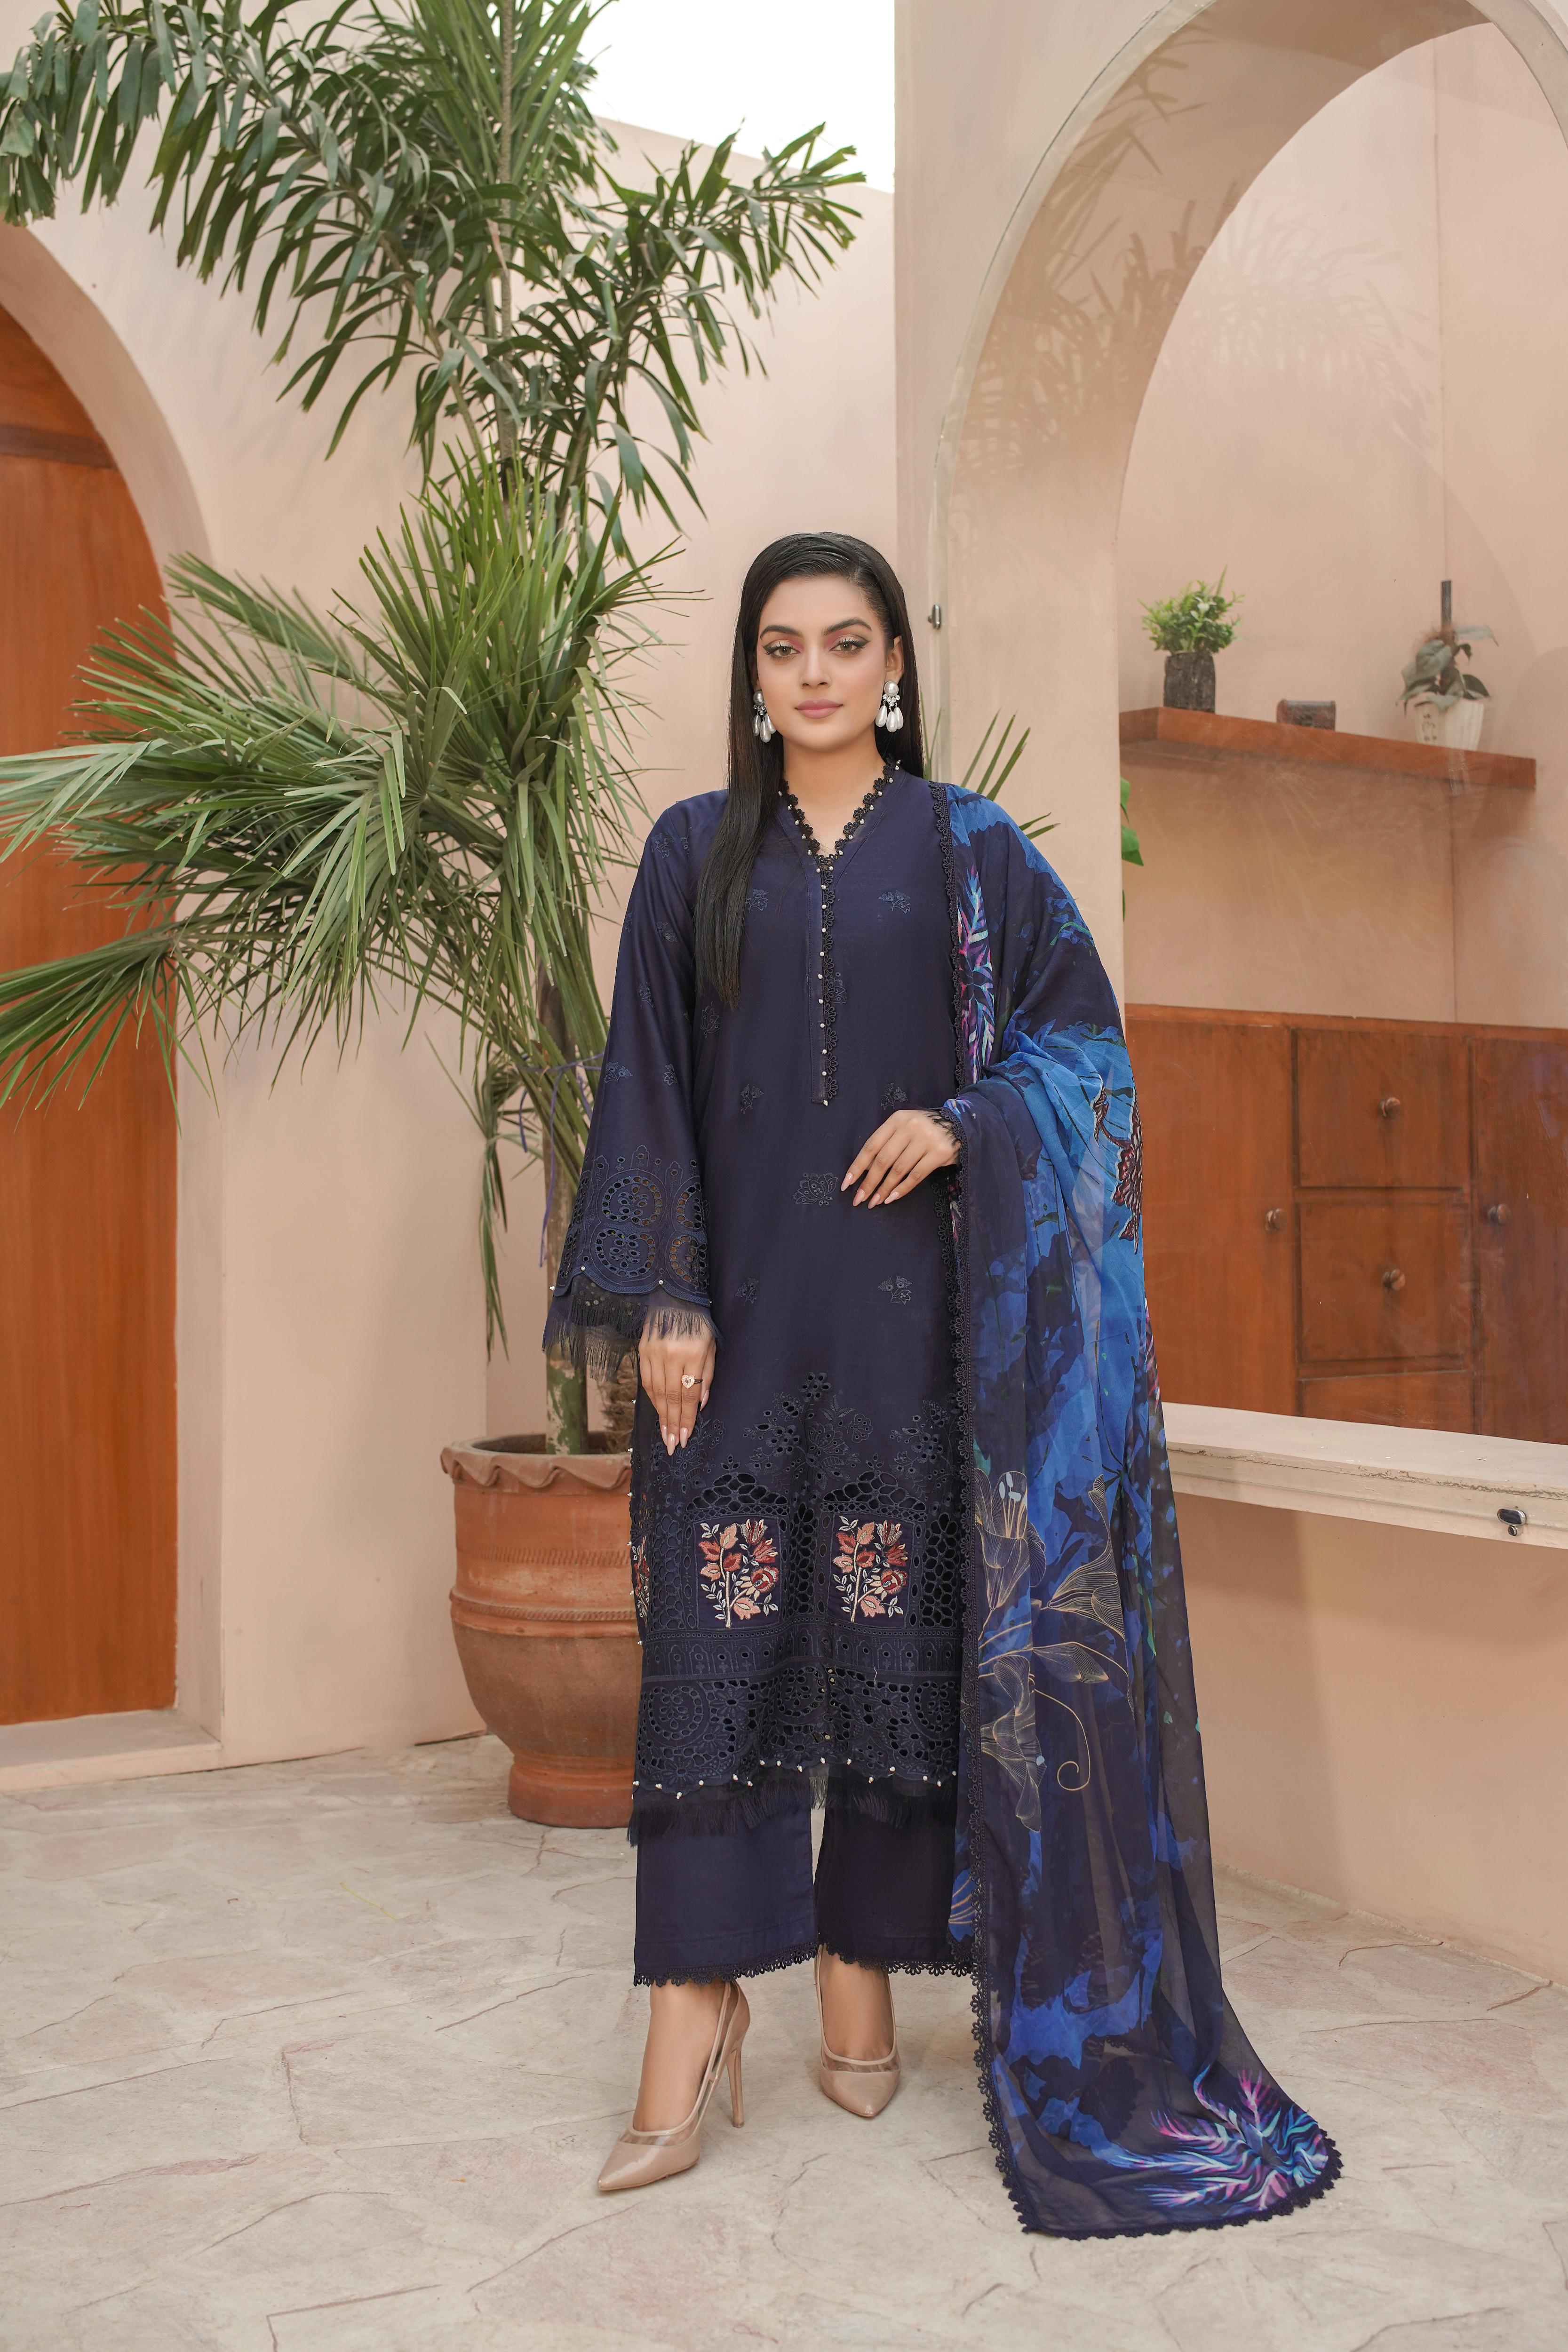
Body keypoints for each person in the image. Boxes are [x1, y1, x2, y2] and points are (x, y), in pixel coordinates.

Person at [543, 532, 1337, 2236]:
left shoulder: (973, 852)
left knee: (891, 1666)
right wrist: (666, 1290)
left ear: (895, 663)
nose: (814, 675)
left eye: (847, 644)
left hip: (915, 1335)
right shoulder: (692, 852)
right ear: (753, 673)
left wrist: (966, 1122)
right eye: (782, 648)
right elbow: (646, 1081)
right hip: (738, 1334)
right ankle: (691, 2011)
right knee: (717, 1674)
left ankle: (858, 1970)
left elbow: (1084, 1055)